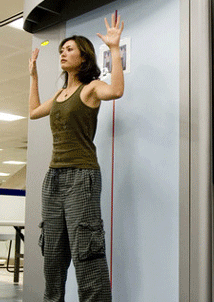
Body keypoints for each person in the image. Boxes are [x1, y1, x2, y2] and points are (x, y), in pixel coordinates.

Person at [29, 14, 124, 302]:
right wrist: (33, 75)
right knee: (53, 254)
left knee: (87, 251)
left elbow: (117, 90)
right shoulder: (60, 93)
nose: (63, 52)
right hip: (53, 179)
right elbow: (34, 112)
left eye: (69, 49)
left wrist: (115, 48)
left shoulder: (91, 87)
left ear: (83, 58)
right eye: (61, 49)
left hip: (82, 177)